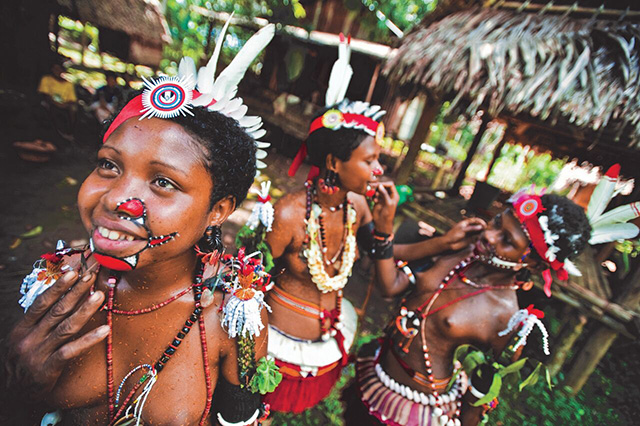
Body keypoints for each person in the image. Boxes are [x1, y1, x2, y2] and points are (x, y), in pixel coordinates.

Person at [2, 22, 277, 425]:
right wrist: (15, 387)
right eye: (109, 165)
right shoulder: (56, 290)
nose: (115, 199)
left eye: (163, 182)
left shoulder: (235, 315)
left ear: (218, 210)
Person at [257, 35, 485, 414]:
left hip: (324, 342)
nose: (379, 169)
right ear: (333, 162)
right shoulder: (288, 214)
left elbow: (386, 253)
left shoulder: (359, 207)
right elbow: (251, 279)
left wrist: (444, 242)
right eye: (369, 160)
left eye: (378, 159)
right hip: (277, 344)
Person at [348, 190, 595, 426]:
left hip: (419, 407)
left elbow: (478, 399)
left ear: (533, 264)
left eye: (506, 240)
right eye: (497, 222)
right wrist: (441, 243)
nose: (490, 236)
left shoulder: (506, 318)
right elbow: (390, 284)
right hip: (379, 369)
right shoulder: (463, 252)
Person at [37, 60, 77, 141]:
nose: (57, 71)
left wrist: (64, 105)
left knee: (72, 110)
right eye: (55, 69)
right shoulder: (46, 79)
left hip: (64, 105)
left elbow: (72, 99)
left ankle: (69, 132)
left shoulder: (68, 84)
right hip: (50, 103)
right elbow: (45, 95)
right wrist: (55, 103)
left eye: (59, 69)